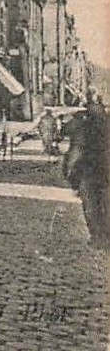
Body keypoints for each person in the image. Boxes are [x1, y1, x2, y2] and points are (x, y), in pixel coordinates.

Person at [66, 97, 109, 249]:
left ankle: (97, 237)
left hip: (89, 171)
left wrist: (70, 174)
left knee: (91, 205)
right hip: (103, 172)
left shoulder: (84, 128)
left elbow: (76, 151)